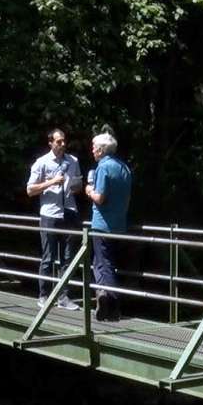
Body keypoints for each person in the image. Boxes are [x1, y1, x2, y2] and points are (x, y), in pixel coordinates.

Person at [26, 129, 83, 310]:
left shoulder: (73, 161)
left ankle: (63, 297)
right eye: (59, 141)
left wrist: (76, 186)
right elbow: (30, 190)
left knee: (67, 258)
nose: (63, 144)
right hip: (49, 214)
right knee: (48, 257)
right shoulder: (41, 162)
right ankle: (43, 296)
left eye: (64, 141)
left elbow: (78, 185)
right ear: (50, 143)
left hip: (69, 213)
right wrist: (51, 182)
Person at [85, 132, 132, 321]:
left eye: (94, 147)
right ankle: (104, 297)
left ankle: (111, 304)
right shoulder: (124, 168)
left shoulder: (103, 167)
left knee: (103, 264)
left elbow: (100, 197)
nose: (92, 150)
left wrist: (89, 191)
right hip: (119, 224)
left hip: (102, 224)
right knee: (105, 263)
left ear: (101, 150)